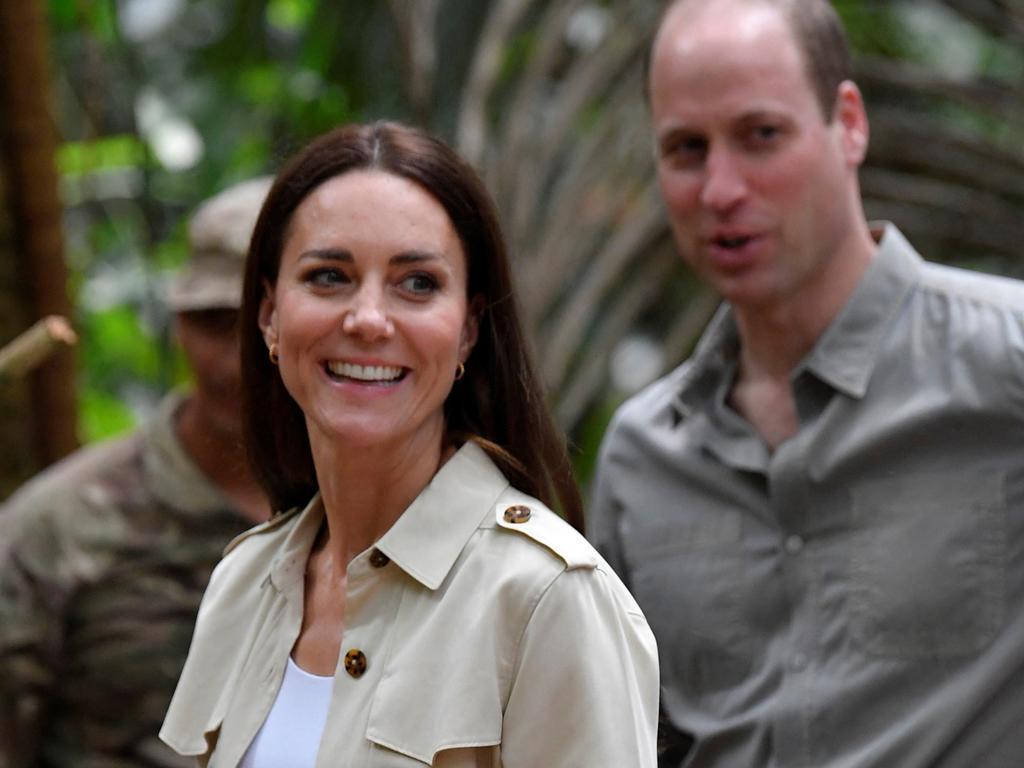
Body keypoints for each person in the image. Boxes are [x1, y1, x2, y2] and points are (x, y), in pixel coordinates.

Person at [589, 0, 1024, 766]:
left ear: (848, 123)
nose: (721, 188)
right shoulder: (643, 457)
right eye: (686, 149)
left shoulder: (1006, 364)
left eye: (761, 136)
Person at [159, 121, 659, 767]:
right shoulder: (244, 583)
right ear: (268, 315)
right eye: (329, 276)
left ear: (469, 330)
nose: (368, 319)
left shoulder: (545, 599)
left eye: (417, 283)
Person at [0, 178, 273, 767]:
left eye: (260, 328)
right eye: (212, 323)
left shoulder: (382, 520)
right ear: (177, 323)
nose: (234, 364)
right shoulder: (57, 527)